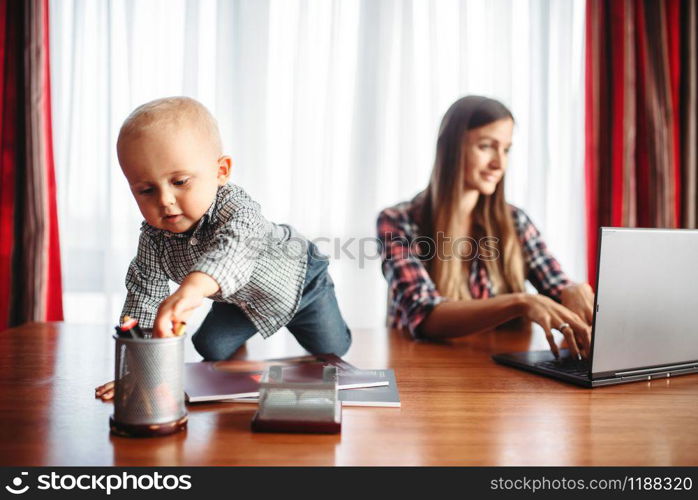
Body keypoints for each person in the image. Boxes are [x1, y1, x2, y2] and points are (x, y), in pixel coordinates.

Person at [96, 96, 350, 400]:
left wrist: (193, 288)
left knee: (333, 349)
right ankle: (241, 339)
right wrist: (137, 370)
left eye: (180, 181)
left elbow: (235, 250)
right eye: (146, 190)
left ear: (221, 171)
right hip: (239, 298)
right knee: (209, 347)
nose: (164, 200)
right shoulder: (153, 237)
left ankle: (324, 309)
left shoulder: (237, 209)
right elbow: (144, 300)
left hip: (303, 282)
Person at [376, 95, 594, 359]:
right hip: (424, 373)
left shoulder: (516, 221)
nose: (499, 164)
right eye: (486, 146)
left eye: (506, 150)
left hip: (497, 373)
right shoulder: (398, 221)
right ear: (452, 148)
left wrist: (570, 294)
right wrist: (521, 302)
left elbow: (556, 286)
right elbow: (425, 315)